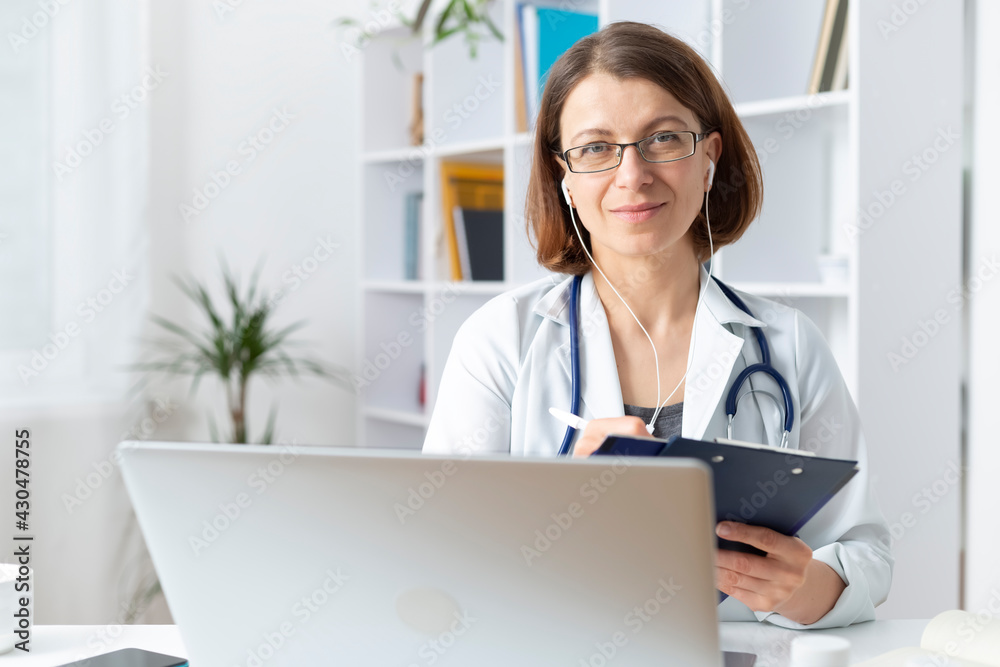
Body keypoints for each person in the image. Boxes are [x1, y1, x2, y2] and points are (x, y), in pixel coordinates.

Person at [422, 21, 891, 629]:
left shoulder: (787, 344)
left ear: (709, 158)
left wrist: (800, 589)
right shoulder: (500, 341)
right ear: (563, 174)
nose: (632, 174)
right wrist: (560, 503)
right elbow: (437, 560)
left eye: (663, 139)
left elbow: (867, 552)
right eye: (595, 148)